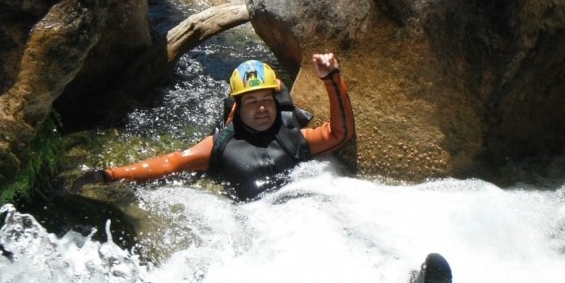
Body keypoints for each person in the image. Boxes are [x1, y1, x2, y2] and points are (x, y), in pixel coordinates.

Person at [74, 53, 355, 201]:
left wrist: (331, 78)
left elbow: (339, 135)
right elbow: (172, 163)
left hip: (306, 206)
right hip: (258, 221)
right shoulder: (221, 145)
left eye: (267, 100)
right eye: (251, 102)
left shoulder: (293, 135)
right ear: (237, 107)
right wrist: (110, 174)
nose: (261, 108)